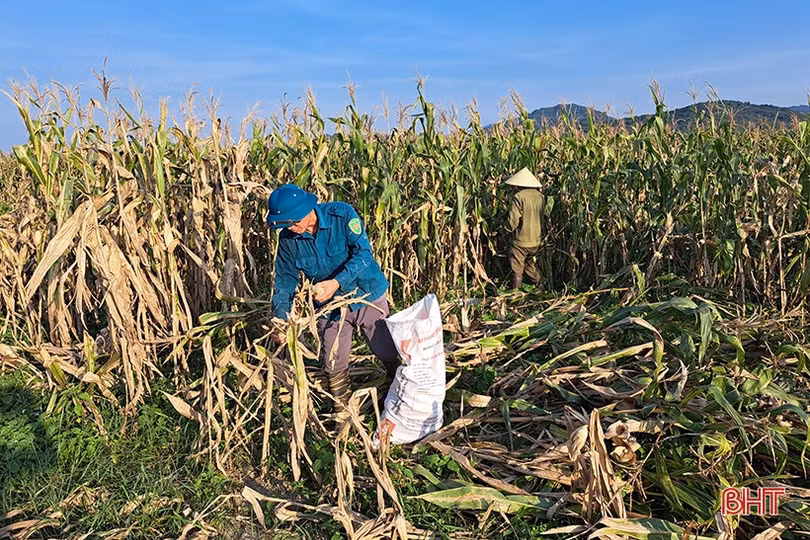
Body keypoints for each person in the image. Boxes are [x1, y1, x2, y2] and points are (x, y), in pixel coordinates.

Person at [265, 184, 399, 411]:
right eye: (286, 224)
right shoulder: (288, 241)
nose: (292, 228)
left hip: (366, 292)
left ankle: (397, 390)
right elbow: (285, 281)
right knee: (333, 361)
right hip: (329, 306)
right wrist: (281, 319)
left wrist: (336, 282)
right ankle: (342, 413)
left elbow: (363, 253)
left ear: (308, 210)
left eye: (294, 222)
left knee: (386, 349)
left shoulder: (342, 214)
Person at [505, 167, 546, 290]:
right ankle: (541, 289)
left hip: (521, 241)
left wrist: (505, 229)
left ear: (518, 186)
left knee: (517, 270)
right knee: (530, 266)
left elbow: (513, 221)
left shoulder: (519, 197)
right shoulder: (541, 196)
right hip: (536, 240)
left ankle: (516, 297)